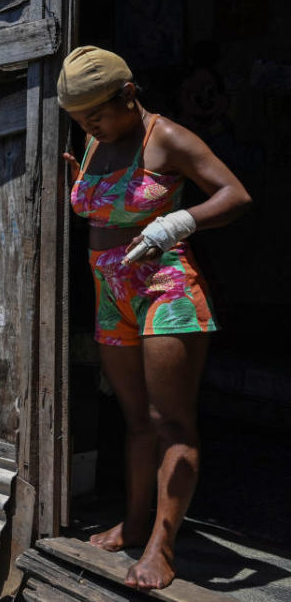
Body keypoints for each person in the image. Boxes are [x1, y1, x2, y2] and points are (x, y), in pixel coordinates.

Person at [57, 46, 251, 590]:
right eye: (78, 120)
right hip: (109, 292)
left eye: (95, 115)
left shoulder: (165, 137)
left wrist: (175, 224)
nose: (87, 126)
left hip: (165, 289)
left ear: (128, 94)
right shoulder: (97, 141)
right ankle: (136, 522)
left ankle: (163, 547)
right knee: (136, 419)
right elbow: (106, 207)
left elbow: (236, 196)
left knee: (172, 422)